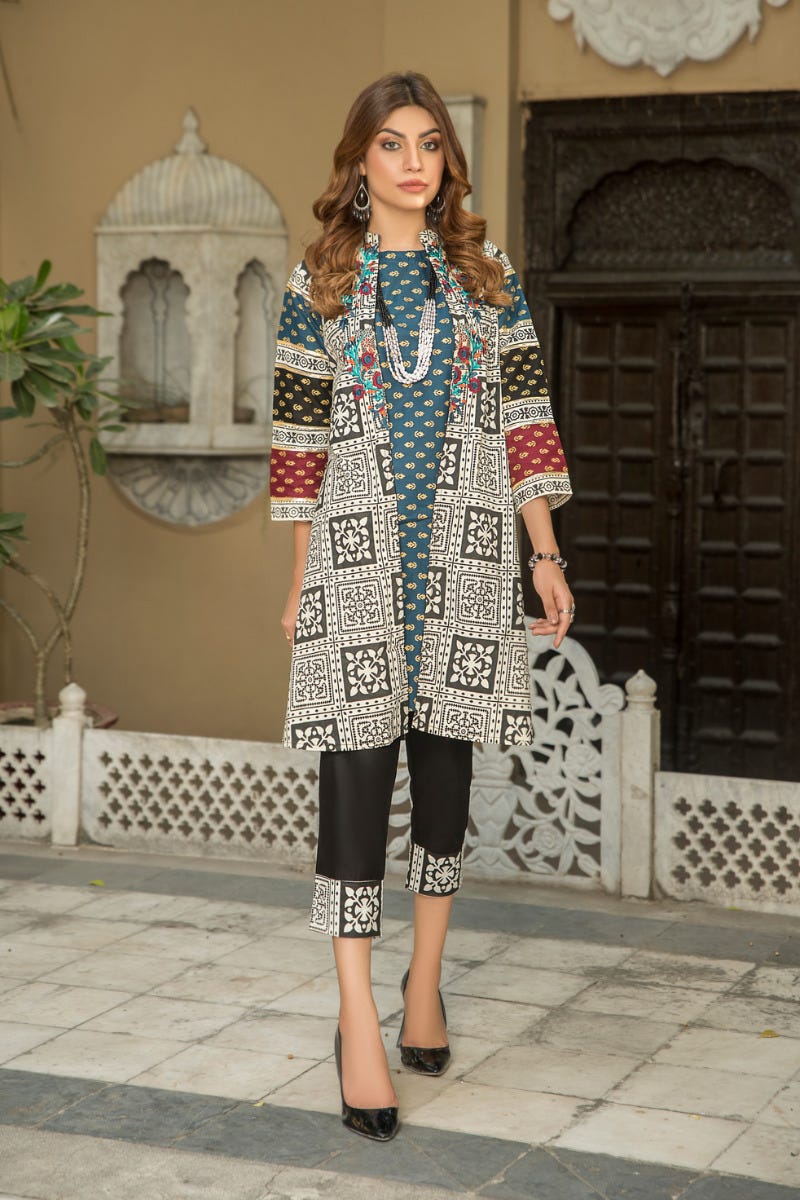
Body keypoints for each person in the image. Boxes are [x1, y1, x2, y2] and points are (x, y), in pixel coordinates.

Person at [269, 71, 573, 1142]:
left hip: (466, 564)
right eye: (390, 143)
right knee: (352, 792)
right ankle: (357, 1015)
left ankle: (425, 983)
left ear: (447, 160)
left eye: (428, 143)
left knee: (444, 787)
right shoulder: (316, 285)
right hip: (355, 573)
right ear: (358, 162)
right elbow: (298, 445)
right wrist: (302, 581)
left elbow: (526, 420)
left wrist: (544, 554)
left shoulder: (489, 282)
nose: (411, 161)